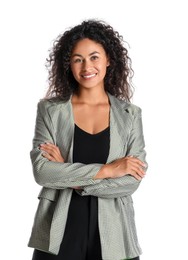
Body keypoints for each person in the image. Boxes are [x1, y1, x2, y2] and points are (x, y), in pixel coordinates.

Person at [28, 19, 147, 260]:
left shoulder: (130, 115)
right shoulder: (50, 110)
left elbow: (130, 181)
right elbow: (43, 172)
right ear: (68, 64)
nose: (86, 66)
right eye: (77, 59)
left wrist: (67, 174)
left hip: (115, 235)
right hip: (58, 231)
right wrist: (108, 170)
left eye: (94, 57)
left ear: (108, 60)